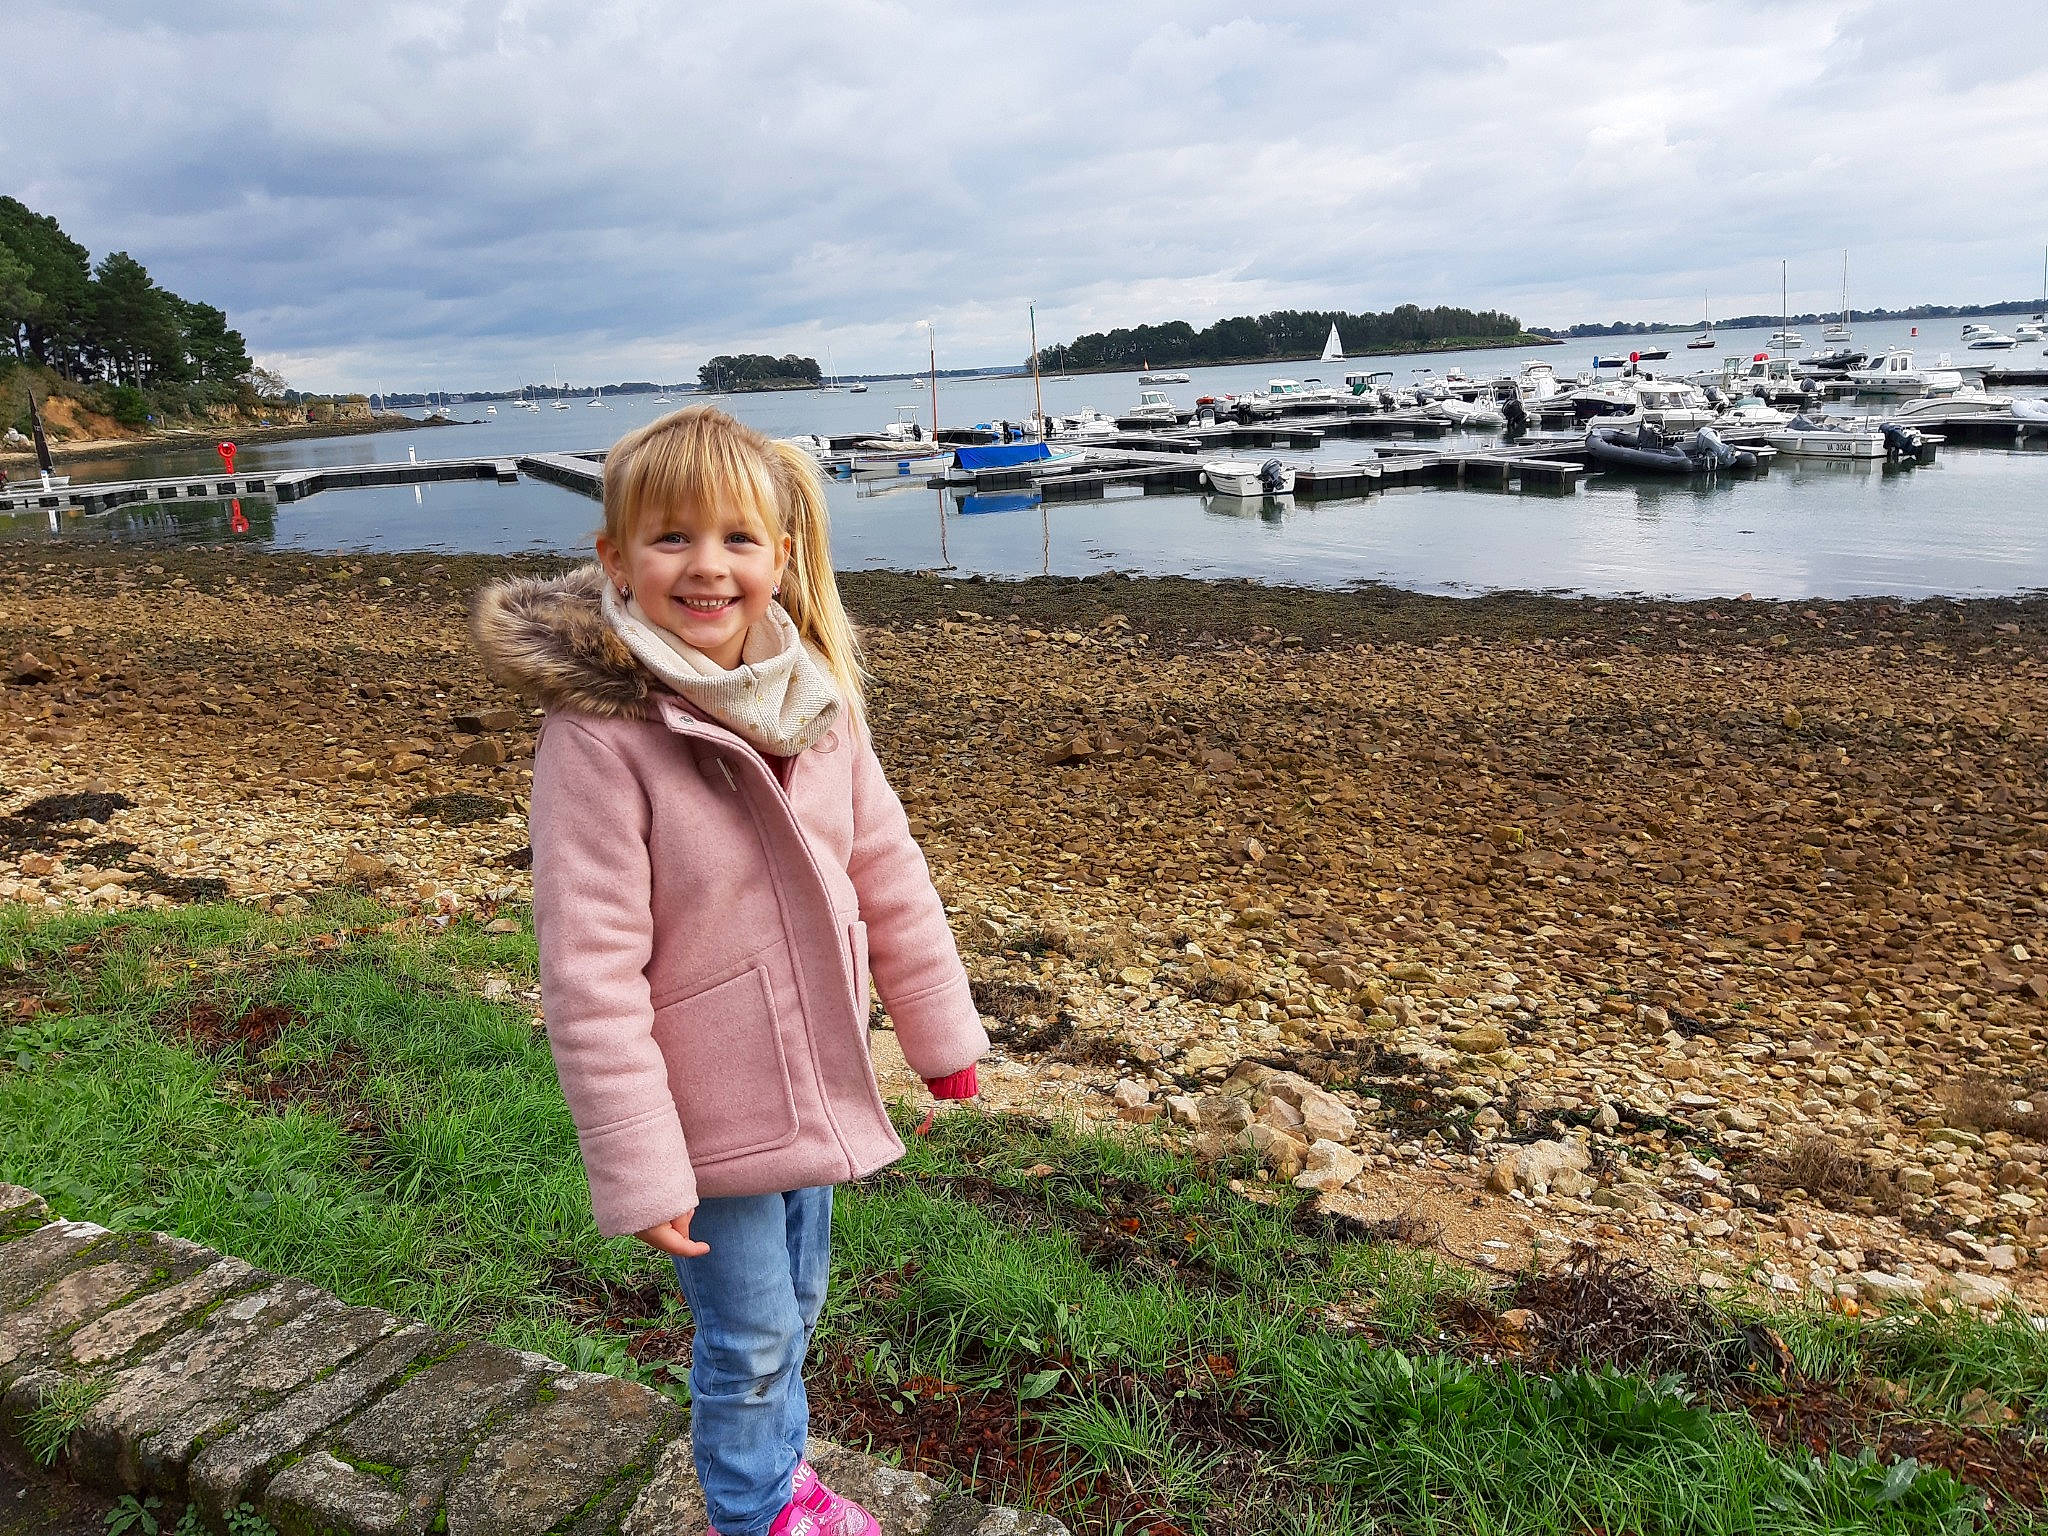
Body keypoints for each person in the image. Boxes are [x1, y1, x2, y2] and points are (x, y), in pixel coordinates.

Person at [472, 406, 988, 1536]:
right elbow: (590, 973)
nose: (706, 565)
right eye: (671, 538)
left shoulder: (814, 703)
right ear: (615, 558)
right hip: (703, 1101)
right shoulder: (599, 740)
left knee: (798, 1302)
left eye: (736, 539)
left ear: (781, 558)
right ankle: (752, 1515)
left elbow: (888, 870)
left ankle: (781, 1471)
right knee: (748, 1333)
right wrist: (641, 1164)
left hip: (815, 1072)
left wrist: (940, 1033)